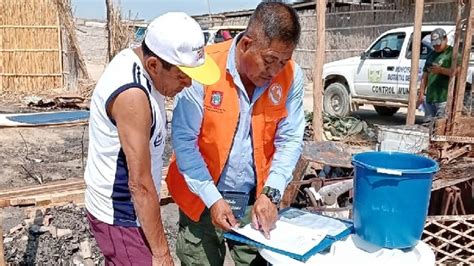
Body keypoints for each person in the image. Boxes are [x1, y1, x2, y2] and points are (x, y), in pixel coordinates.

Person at [166, 2, 304, 265]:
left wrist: (271, 193)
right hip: (201, 199)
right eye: (269, 60)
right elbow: (184, 143)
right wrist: (212, 199)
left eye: (283, 62)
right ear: (246, 44)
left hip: (256, 201)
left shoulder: (291, 76)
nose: (275, 71)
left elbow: (290, 140)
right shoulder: (204, 68)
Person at [84, 12, 220, 265]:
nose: (188, 83)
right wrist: (161, 252)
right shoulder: (133, 96)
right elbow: (140, 185)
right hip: (122, 214)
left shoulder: (142, 64)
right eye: (182, 75)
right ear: (154, 65)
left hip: (133, 212)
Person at [417, 28, 459, 122]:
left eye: (439, 43)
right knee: (429, 126)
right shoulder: (431, 55)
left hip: (443, 99)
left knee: (441, 127)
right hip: (430, 99)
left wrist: (440, 70)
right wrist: (421, 93)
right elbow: (425, 75)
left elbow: (458, 72)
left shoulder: (452, 53)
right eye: (434, 44)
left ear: (445, 39)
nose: (436, 46)